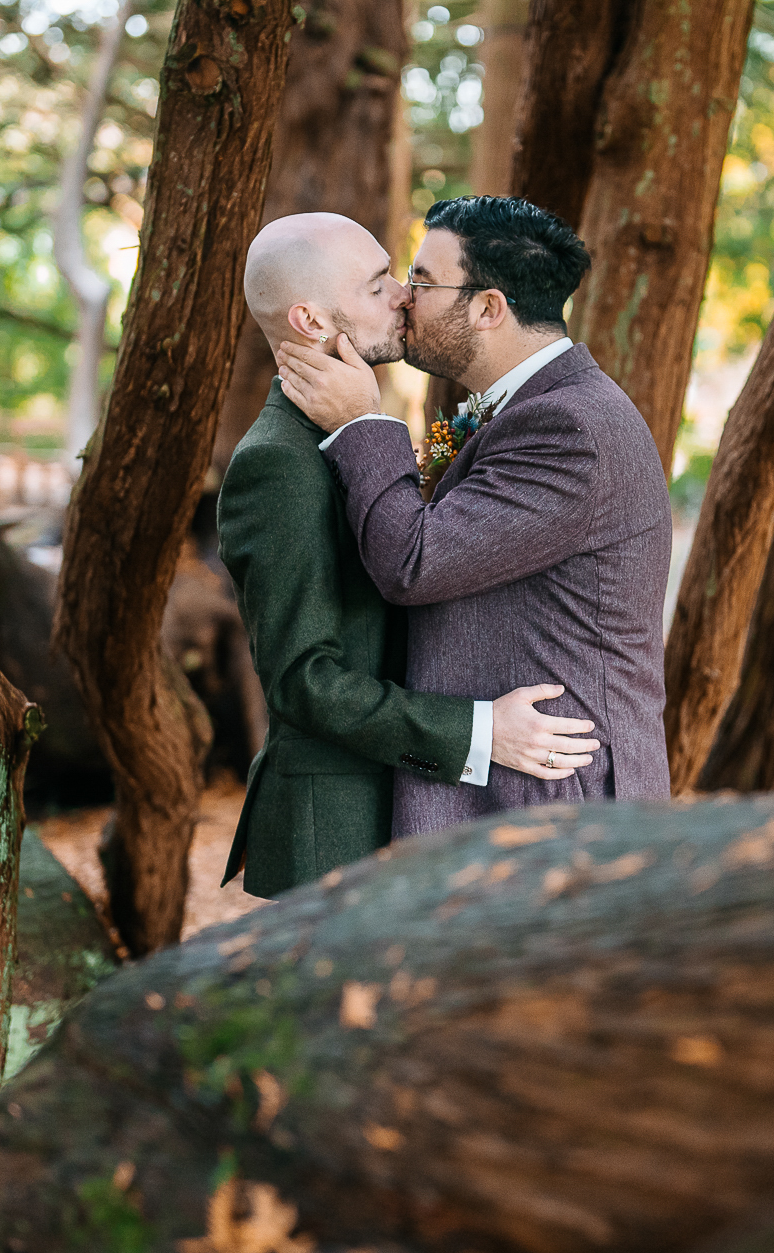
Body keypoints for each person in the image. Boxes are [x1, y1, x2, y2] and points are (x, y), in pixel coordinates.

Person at [217, 212, 600, 897]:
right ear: (310, 321)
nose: (402, 294)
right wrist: (479, 731)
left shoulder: (344, 435)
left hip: (394, 809)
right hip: (331, 831)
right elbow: (305, 680)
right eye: (376, 286)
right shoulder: (278, 464)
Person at [276, 196, 672, 838]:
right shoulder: (517, 410)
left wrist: (360, 422)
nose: (404, 297)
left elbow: (415, 562)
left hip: (556, 809)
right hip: (513, 794)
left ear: (489, 308)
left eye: (424, 281)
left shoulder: (569, 428)